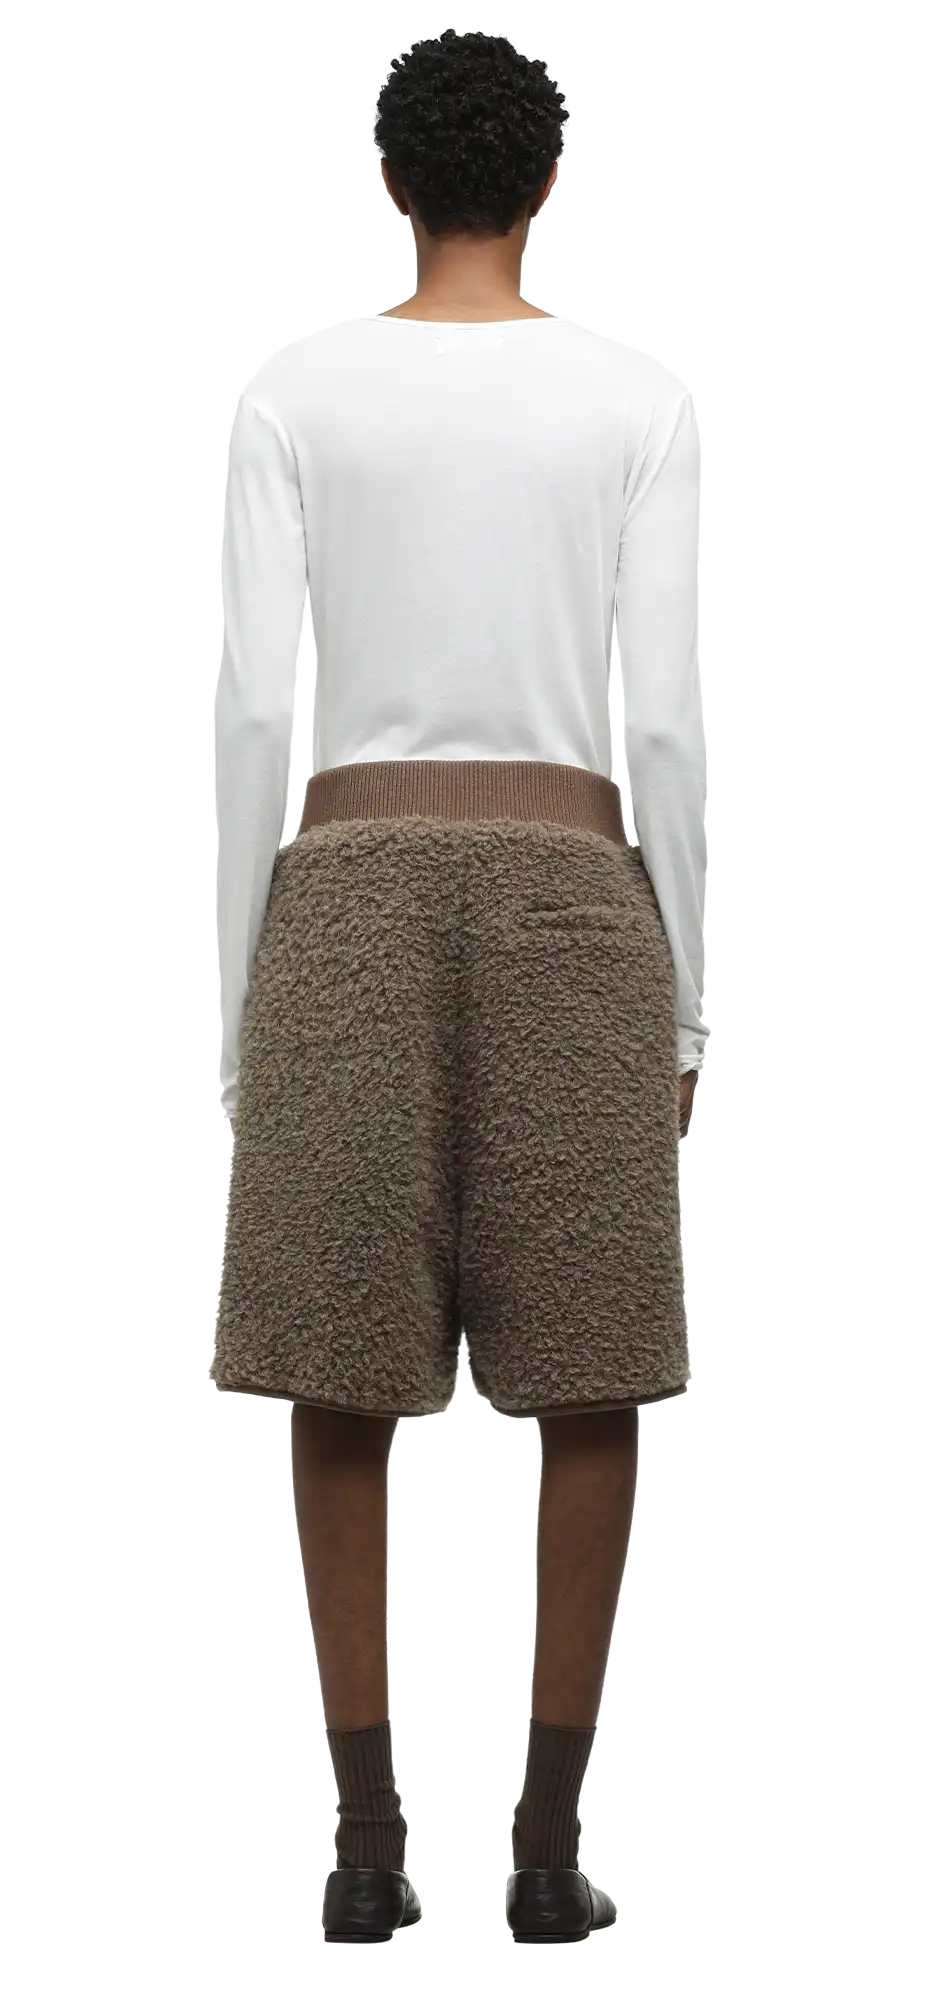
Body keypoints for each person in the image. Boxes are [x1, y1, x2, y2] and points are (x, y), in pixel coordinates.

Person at [209, 26, 710, 1944]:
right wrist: (685, 996)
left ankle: (361, 1854)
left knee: (334, 1366)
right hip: (577, 885)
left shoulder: (292, 393)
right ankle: (548, 1854)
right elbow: (659, 726)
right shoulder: (636, 402)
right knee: (594, 1365)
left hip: (342, 885)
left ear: (391, 183)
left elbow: (254, 716)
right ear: (546, 182)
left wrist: (239, 995)